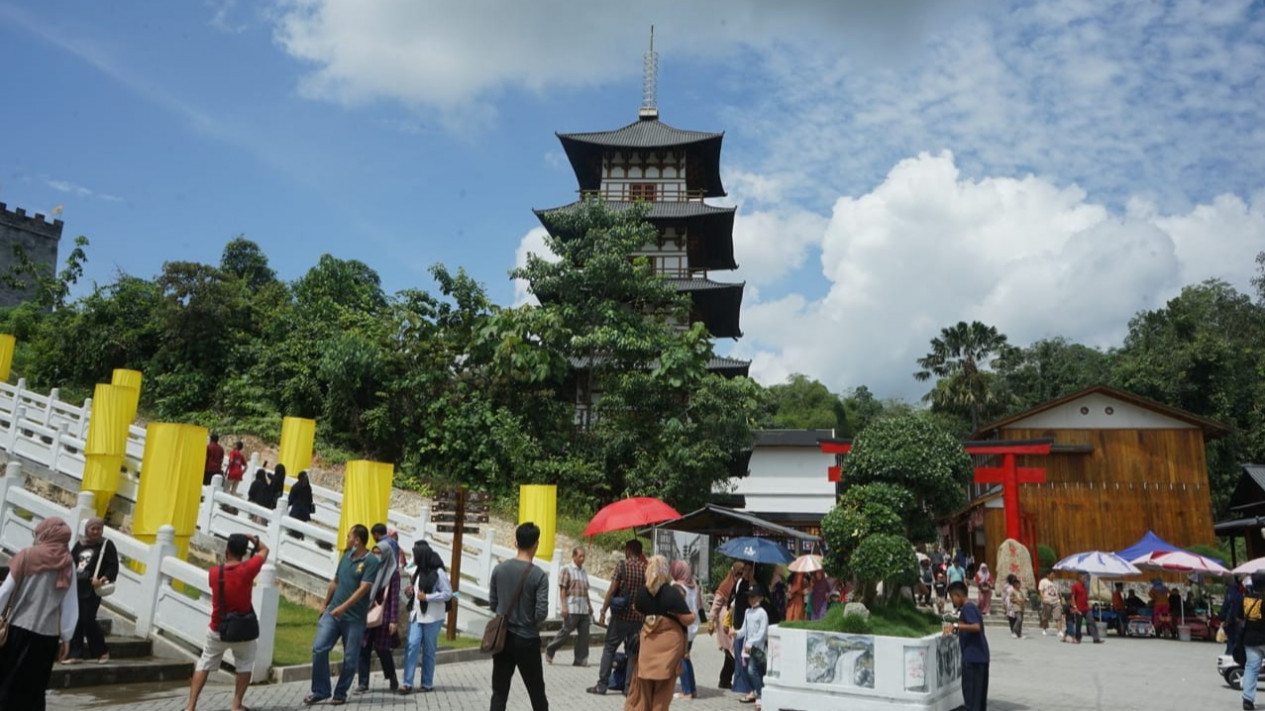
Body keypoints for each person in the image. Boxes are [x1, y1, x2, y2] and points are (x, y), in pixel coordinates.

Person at [182, 533, 268, 711]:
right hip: (243, 630)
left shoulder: (215, 573)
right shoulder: (249, 569)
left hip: (218, 628)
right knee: (244, 664)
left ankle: (191, 706)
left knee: (205, 663)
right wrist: (254, 540)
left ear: (227, 550)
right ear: (244, 553)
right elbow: (265, 550)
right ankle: (236, 705)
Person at [0, 516, 78, 710]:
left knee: (8, 681)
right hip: (48, 636)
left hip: (18, 630)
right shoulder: (68, 563)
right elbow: (69, 603)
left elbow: (5, 591)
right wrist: (67, 637)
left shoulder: (27, 556)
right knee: (35, 688)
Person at [304, 524, 381, 705]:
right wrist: (325, 604)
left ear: (357, 540)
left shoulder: (371, 562)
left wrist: (344, 607)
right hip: (333, 613)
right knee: (319, 648)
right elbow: (335, 581)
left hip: (354, 618)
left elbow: (364, 589)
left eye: (348, 537)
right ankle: (321, 690)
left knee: (350, 658)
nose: (346, 540)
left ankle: (340, 692)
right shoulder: (345, 556)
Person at [618, 555, 695, 711]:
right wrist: (687, 614)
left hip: (647, 643)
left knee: (644, 689)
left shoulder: (642, 592)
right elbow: (687, 619)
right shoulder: (672, 593)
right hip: (669, 646)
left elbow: (637, 609)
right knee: (663, 689)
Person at [488, 522, 550, 711]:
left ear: (516, 542)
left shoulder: (499, 570)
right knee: (537, 692)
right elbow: (541, 613)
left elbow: (493, 604)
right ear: (536, 545)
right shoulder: (539, 576)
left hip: (502, 639)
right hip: (527, 639)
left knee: (499, 692)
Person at [589, 539, 647, 696]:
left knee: (609, 648)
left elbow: (612, 589)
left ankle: (602, 685)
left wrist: (603, 611)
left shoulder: (622, 565)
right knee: (633, 653)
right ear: (640, 552)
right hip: (637, 619)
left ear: (628, 550)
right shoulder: (645, 569)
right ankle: (628, 688)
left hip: (620, 616)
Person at [401, 540, 451, 694]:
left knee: (429, 650)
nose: (414, 558)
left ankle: (427, 683)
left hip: (432, 617)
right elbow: (417, 592)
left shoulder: (439, 573)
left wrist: (428, 597)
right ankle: (407, 682)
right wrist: (411, 592)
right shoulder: (417, 571)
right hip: (417, 614)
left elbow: (448, 593)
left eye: (416, 555)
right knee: (412, 646)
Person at [67, 517, 118, 664]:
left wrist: (102, 579)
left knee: (87, 620)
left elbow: (112, 566)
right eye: (92, 529)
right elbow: (70, 561)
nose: (95, 532)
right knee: (75, 620)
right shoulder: (80, 544)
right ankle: (75, 654)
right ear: (87, 529)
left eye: (98, 529)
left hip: (92, 589)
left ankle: (102, 651)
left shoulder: (106, 545)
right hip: (76, 586)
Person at [354, 538, 401, 693]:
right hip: (366, 613)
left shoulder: (393, 573)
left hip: (384, 616)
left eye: (379, 553)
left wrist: (393, 620)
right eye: (374, 552)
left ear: (386, 554)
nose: (376, 556)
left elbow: (394, 598)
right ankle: (363, 682)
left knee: (383, 650)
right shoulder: (369, 568)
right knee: (363, 647)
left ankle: (392, 676)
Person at [945, 581, 989, 711]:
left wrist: (956, 626)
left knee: (972, 697)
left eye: (952, 597)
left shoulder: (968, 608)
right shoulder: (971, 608)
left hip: (973, 659)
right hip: (979, 658)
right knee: (978, 698)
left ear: (958, 595)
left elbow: (975, 626)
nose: (953, 601)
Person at [547, 546, 591, 667]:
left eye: (583, 556)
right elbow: (563, 589)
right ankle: (551, 649)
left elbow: (585, 590)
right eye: (580, 556)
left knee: (584, 636)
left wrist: (590, 606)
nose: (582, 559)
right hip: (572, 607)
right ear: (574, 556)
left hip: (583, 609)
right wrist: (564, 606)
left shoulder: (583, 571)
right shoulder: (567, 569)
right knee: (565, 632)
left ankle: (580, 659)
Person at [707, 561, 743, 690]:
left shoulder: (741, 585)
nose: (740, 576)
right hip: (726, 621)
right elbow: (716, 604)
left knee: (731, 652)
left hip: (735, 619)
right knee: (732, 651)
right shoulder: (725, 586)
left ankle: (725, 680)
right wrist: (711, 620)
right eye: (738, 573)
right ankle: (726, 680)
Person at [733, 585, 769, 706]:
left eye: (754, 597)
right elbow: (744, 630)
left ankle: (760, 694)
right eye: (750, 597)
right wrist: (736, 634)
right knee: (747, 669)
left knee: (752, 670)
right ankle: (754, 691)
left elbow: (762, 632)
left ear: (760, 598)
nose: (751, 600)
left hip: (757, 648)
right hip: (747, 648)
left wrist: (751, 643)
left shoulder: (762, 613)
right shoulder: (748, 612)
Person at [670, 559, 702, 700]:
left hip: (681, 626)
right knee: (686, 657)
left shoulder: (676, 586)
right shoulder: (694, 585)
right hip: (692, 626)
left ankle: (687, 691)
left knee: (681, 659)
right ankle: (692, 689)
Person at [1241, 571, 1265, 711]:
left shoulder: (1245, 599)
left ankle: (1248, 700)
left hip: (1250, 640)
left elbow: (1239, 617)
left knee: (1251, 668)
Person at [1068, 573, 1101, 644]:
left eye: (1085, 578)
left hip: (1086, 608)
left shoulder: (1085, 587)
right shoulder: (1075, 586)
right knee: (1078, 624)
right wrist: (1075, 607)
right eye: (1084, 578)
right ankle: (1078, 638)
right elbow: (1073, 597)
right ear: (1080, 577)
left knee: (1091, 621)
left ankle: (1096, 638)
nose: (1085, 579)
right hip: (1078, 608)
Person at [1038, 570, 1063, 638]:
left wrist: (1061, 601)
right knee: (1045, 616)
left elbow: (1059, 593)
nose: (1053, 576)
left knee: (1058, 616)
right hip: (1047, 601)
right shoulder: (1043, 581)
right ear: (1048, 575)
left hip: (1056, 601)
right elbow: (1041, 591)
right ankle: (1044, 628)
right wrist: (1043, 599)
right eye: (1052, 574)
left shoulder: (1056, 583)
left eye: (1054, 574)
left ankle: (1059, 631)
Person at [1224, 579, 1246, 655]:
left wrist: (1222, 618)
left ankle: (1229, 652)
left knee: (1230, 637)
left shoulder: (1229, 595)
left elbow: (1225, 607)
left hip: (1229, 619)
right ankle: (1235, 652)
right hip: (1238, 619)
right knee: (1237, 636)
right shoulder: (1240, 596)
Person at [1004, 574, 1025, 639]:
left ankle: (1019, 633)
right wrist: (1017, 600)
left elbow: (1023, 598)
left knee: (1021, 621)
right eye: (1018, 584)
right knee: (1019, 619)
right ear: (1015, 585)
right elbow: (1011, 599)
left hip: (1021, 607)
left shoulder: (1020, 592)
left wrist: (1024, 600)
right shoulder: (1012, 591)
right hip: (1016, 607)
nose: (1019, 585)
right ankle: (1014, 630)